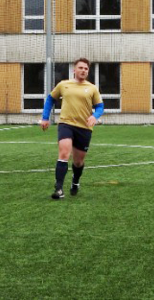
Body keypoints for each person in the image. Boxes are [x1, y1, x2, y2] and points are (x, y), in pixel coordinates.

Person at [40, 58, 105, 200]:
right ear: (74, 70)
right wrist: (45, 118)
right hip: (66, 124)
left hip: (84, 128)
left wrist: (94, 116)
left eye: (86, 68)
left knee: (78, 162)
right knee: (64, 153)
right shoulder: (64, 85)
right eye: (80, 68)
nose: (83, 70)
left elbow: (100, 106)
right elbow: (50, 99)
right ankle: (58, 189)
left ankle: (75, 182)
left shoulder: (92, 88)